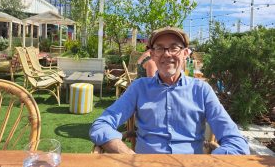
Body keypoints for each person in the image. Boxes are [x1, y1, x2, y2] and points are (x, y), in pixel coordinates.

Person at [89, 26, 250, 155]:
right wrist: (127, 154)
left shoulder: (201, 90)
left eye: (174, 48)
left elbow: (236, 141)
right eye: (160, 48)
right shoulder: (139, 88)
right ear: (152, 54)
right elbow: (101, 125)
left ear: (186, 53)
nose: (167, 54)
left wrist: (211, 162)